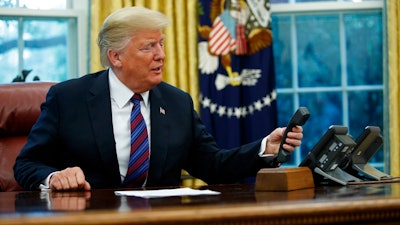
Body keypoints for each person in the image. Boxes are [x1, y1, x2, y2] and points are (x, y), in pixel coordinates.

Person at [14, 6, 303, 191]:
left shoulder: (177, 102)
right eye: (148, 47)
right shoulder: (68, 99)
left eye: (162, 44)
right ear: (115, 57)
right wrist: (54, 178)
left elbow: (213, 166)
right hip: (91, 219)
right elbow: (26, 165)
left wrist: (265, 147)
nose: (161, 55)